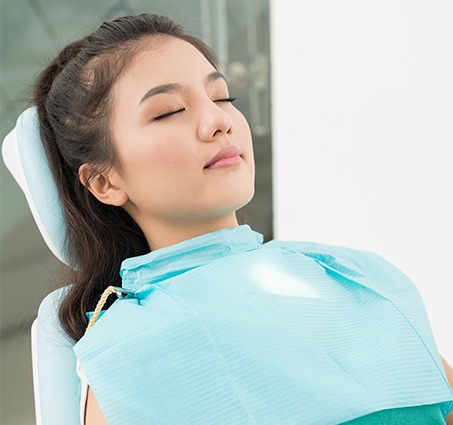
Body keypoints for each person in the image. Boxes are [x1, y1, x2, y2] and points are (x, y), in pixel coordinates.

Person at [27, 13, 453, 425]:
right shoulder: (130, 350)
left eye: (222, 97)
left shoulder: (356, 274)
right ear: (103, 182)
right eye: (168, 111)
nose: (219, 121)